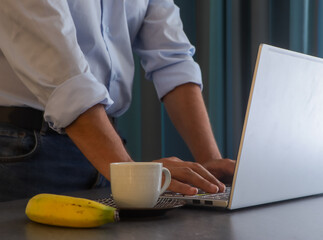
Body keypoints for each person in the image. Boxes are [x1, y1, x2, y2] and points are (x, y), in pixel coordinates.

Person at [0, 0, 235, 201]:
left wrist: (213, 174)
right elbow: (62, 73)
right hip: (25, 151)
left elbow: (172, 60)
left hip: (105, 148)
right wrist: (129, 171)